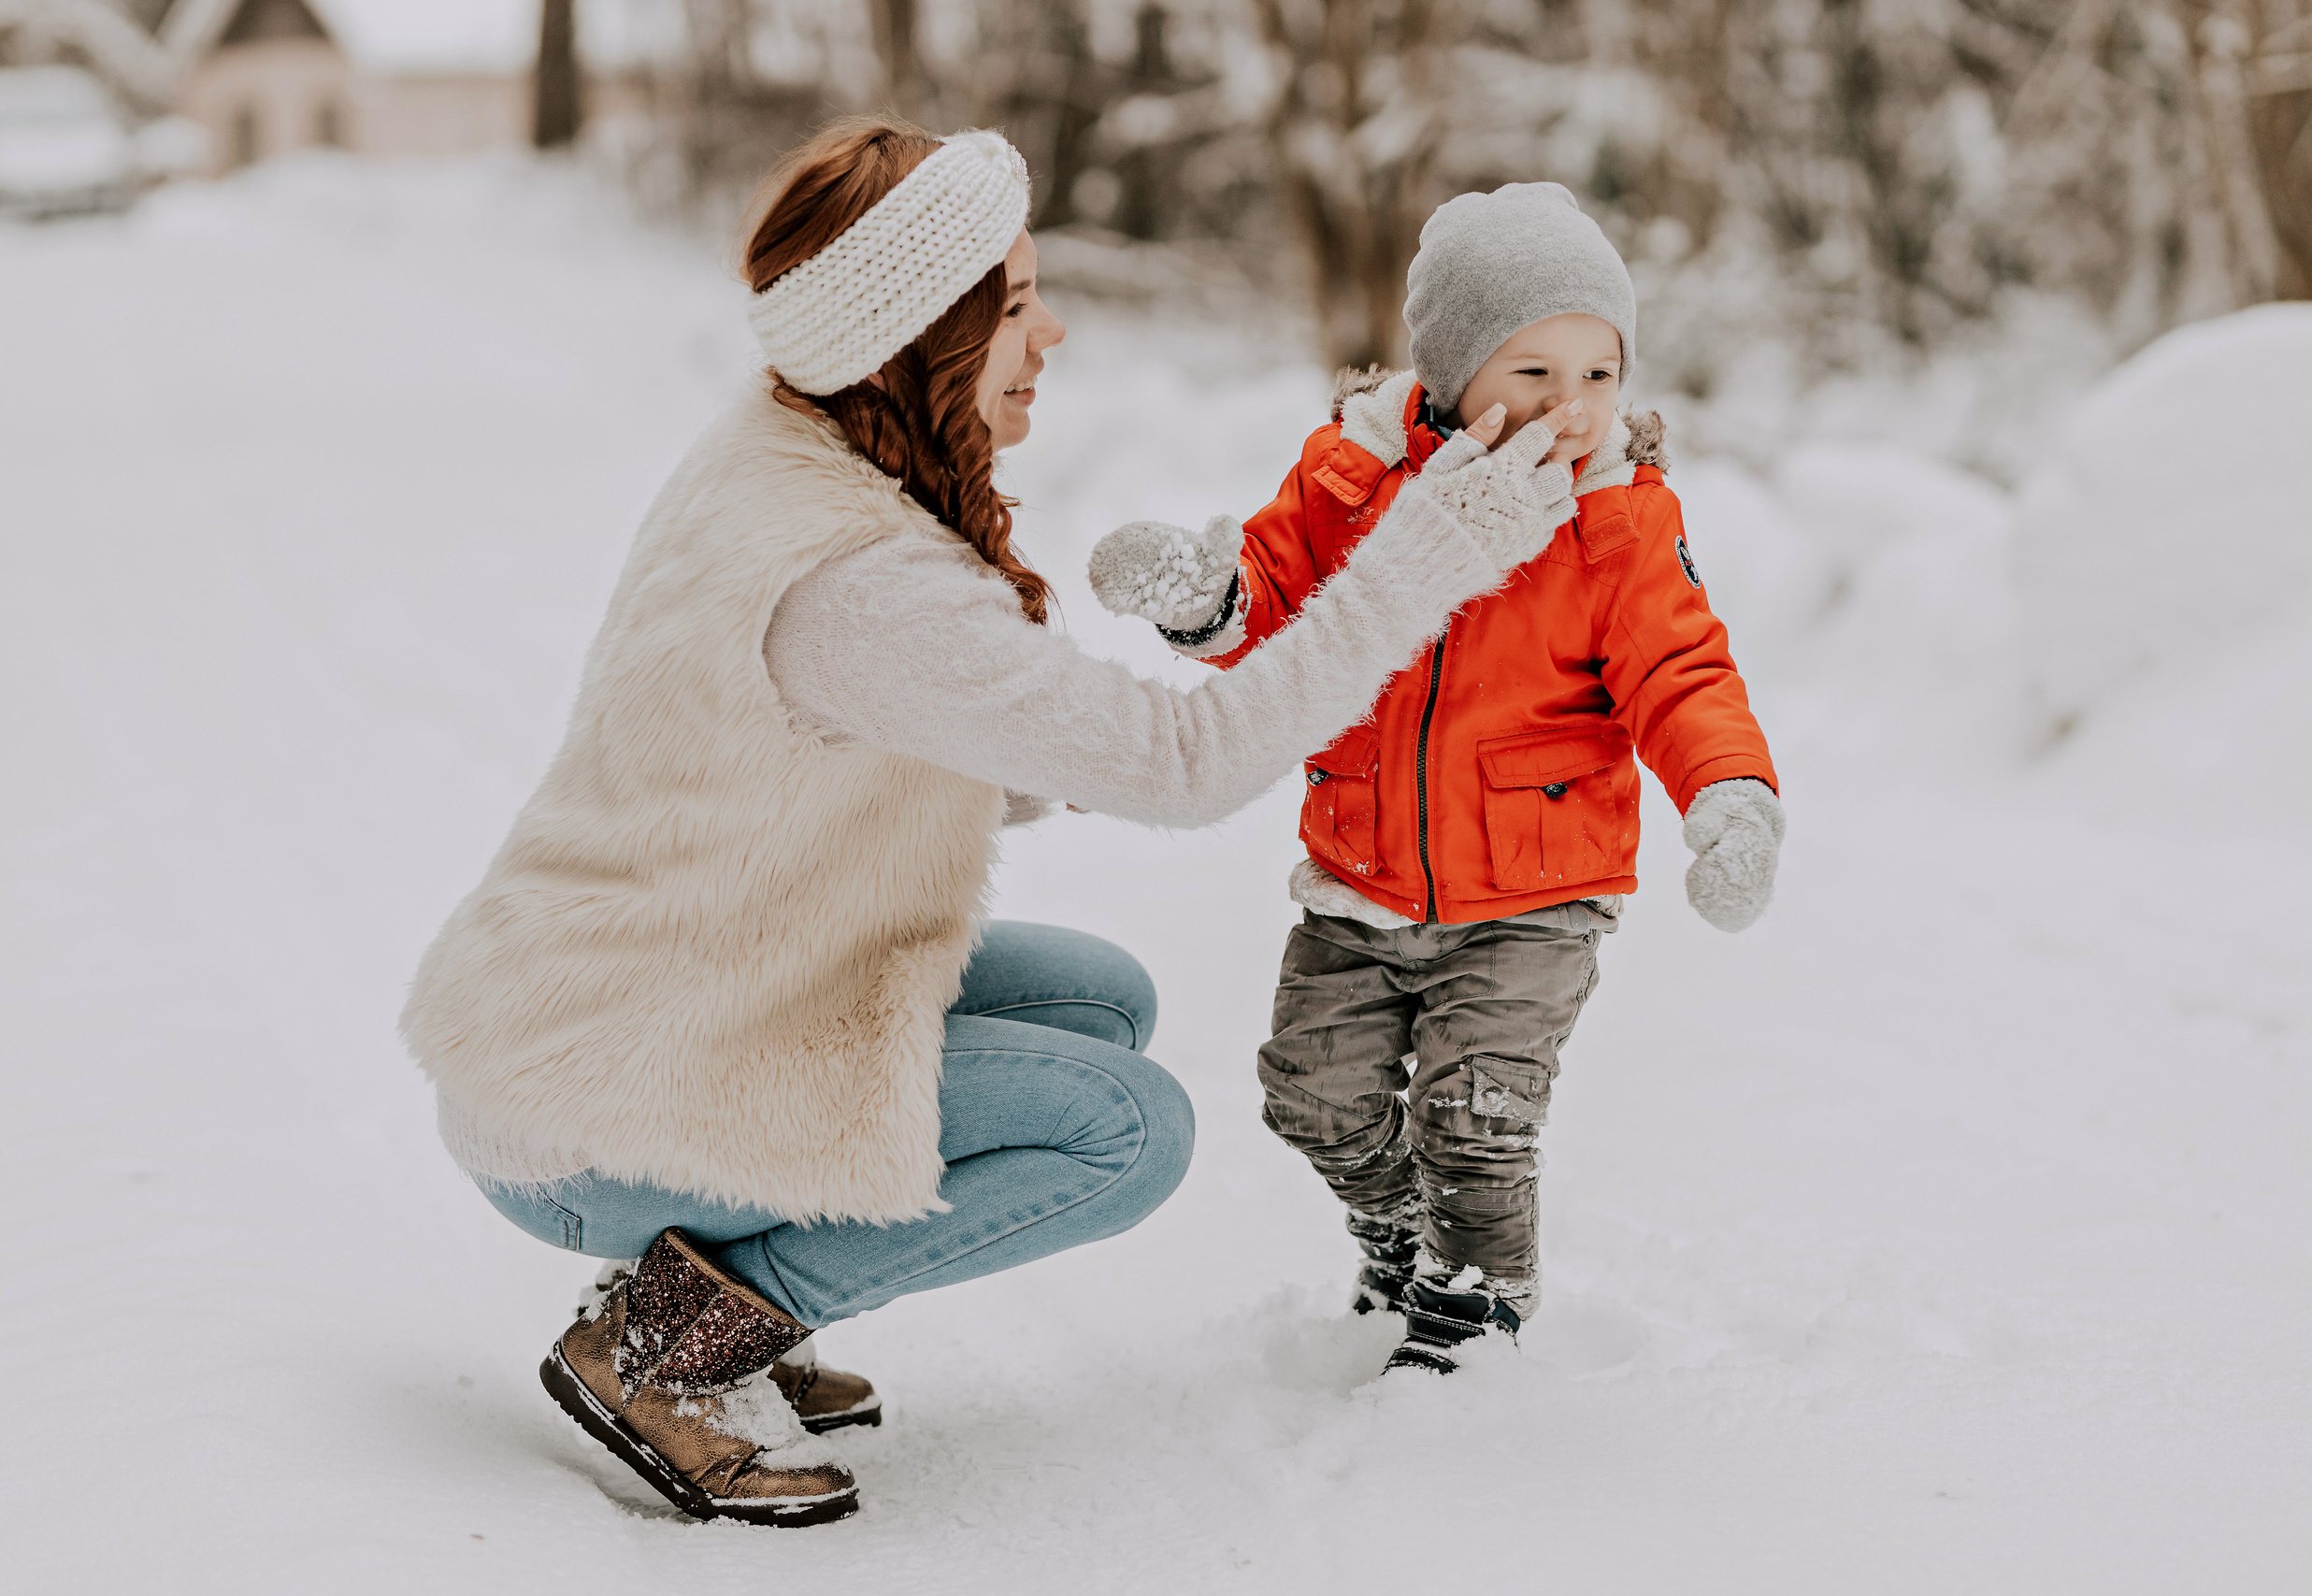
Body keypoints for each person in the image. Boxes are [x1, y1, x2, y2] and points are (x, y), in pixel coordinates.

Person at [400, 119, 1582, 1527]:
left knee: (1102, 998)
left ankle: (699, 1278)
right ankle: (678, 1339)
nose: (1053, 330)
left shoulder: (782, 450)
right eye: (1016, 304)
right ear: (921, 334)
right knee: (1126, 1131)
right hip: (592, 1102)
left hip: (625, 1005)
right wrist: (1425, 560)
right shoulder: (857, 577)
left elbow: (813, 737)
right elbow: (1189, 766)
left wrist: (1050, 731)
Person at [1087, 182, 1784, 1375]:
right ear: (1455, 372)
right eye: (1532, 375)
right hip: (1358, 872)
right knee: (1308, 1093)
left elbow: (1681, 670)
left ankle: (1477, 1304)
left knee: (1477, 1114)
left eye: (1599, 375)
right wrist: (1206, 602)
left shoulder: (1614, 520)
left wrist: (1727, 796)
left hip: (1535, 891)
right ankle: (1397, 1227)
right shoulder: (1351, 478)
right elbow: (1273, 596)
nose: (1571, 409)